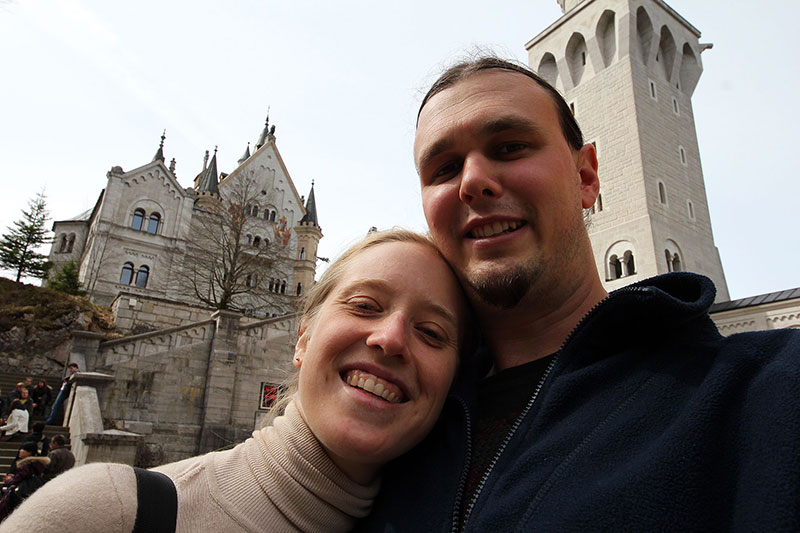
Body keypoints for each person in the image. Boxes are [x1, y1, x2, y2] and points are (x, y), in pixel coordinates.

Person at [358, 57, 800, 531]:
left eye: (510, 147)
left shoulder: (764, 394)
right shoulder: (394, 420)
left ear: (586, 178)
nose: (472, 182)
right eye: (444, 168)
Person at [3, 229, 474, 531]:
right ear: (302, 339)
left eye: (431, 333)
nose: (390, 339)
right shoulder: (107, 512)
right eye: (365, 305)